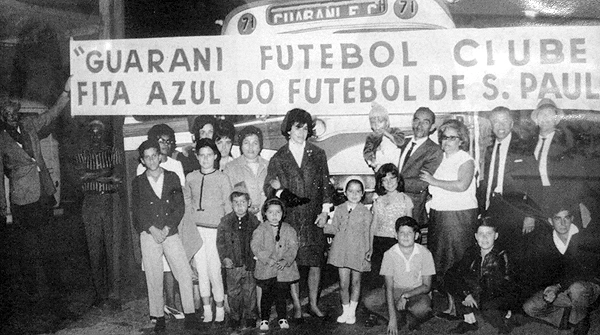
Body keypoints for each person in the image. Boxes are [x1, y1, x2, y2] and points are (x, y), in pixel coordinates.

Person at [0, 81, 69, 299]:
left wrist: (65, 91)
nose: (11, 116)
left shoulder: (29, 124)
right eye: (6, 113)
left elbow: (52, 114)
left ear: (18, 113)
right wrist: (3, 207)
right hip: (23, 200)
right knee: (28, 251)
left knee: (49, 245)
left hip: (44, 194)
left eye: (13, 112)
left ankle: (56, 292)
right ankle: (32, 295)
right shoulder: (1, 139)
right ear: (2, 115)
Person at [264, 108, 333, 319]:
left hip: (313, 217)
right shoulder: (279, 157)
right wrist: (277, 190)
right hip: (291, 218)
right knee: (291, 263)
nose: (302, 132)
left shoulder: (318, 154)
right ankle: (296, 305)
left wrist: (325, 212)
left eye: (305, 128)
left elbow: (325, 185)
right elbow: (269, 189)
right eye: (297, 128)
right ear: (288, 129)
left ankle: (313, 303)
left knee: (314, 263)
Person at [131, 140, 201, 333]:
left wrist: (168, 228)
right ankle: (159, 316)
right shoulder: (138, 182)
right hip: (149, 234)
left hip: (170, 232)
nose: (152, 159)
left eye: (155, 155)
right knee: (153, 275)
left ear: (160, 156)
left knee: (184, 273)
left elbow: (179, 206)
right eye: (147, 157)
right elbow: (136, 211)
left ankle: (190, 314)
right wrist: (151, 229)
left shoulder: (171, 177)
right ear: (142, 160)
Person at [478, 107, 542, 268]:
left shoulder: (523, 148)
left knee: (514, 254)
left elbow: (534, 183)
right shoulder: (490, 149)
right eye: (496, 122)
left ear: (512, 123)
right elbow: (486, 182)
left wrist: (531, 214)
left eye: (504, 121)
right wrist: (482, 209)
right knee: (495, 253)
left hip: (515, 209)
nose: (500, 125)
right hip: (493, 207)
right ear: (491, 125)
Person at [522, 204, 600, 335]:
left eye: (566, 218)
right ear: (550, 221)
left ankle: (581, 319)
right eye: (558, 219)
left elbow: (583, 272)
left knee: (577, 289)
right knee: (529, 307)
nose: (563, 223)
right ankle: (567, 317)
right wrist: (549, 289)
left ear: (572, 219)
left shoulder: (584, 237)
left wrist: (557, 286)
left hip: (588, 288)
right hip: (563, 289)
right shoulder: (547, 241)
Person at [74, 119, 124, 310]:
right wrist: (105, 174)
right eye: (92, 132)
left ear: (104, 134)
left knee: (113, 248)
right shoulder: (82, 153)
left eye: (99, 132)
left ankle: (115, 295)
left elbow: (117, 178)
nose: (96, 136)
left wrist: (91, 174)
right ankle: (99, 293)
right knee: (94, 248)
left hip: (110, 199)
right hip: (90, 200)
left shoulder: (113, 152)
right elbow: (79, 178)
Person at [420, 119, 478, 279]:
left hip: (459, 216)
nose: (447, 141)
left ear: (461, 140)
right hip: (439, 214)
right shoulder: (439, 159)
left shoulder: (465, 159)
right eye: (445, 137)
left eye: (452, 137)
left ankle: (461, 300)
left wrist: (434, 182)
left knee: (458, 260)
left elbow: (462, 185)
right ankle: (448, 300)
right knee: (440, 260)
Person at [440, 218, 517, 334]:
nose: (484, 238)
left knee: (491, 315)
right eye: (481, 234)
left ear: (496, 236)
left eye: (489, 234)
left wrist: (508, 307)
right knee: (452, 278)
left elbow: (509, 283)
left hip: (495, 294)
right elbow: (455, 272)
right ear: (476, 236)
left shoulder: (503, 255)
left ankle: (506, 319)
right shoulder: (472, 251)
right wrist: (466, 294)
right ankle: (469, 321)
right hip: (476, 290)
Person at [183, 138, 231, 323]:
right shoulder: (191, 177)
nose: (205, 159)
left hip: (215, 231)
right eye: (201, 156)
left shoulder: (222, 177)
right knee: (201, 270)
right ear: (196, 157)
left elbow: (228, 207)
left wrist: (226, 233)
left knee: (215, 270)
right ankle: (206, 309)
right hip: (197, 230)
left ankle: (220, 309)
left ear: (216, 156)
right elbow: (187, 203)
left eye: (209, 155)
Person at [363, 216, 435, 334]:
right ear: (396, 235)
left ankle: (410, 315)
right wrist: (392, 319)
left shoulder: (425, 253)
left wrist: (406, 295)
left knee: (423, 308)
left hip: (415, 292)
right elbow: (389, 288)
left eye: (409, 233)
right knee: (369, 300)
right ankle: (397, 317)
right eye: (402, 233)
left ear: (416, 236)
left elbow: (427, 286)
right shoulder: (389, 254)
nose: (405, 236)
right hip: (395, 290)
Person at [324, 177, 373, 324]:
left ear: (363, 194)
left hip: (358, 251)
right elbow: (334, 228)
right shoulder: (339, 209)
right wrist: (323, 226)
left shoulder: (365, 212)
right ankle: (345, 311)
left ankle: (352, 312)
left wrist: (369, 249)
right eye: (351, 191)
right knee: (343, 283)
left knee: (356, 282)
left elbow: (368, 233)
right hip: (341, 251)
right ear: (345, 193)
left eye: (358, 191)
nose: (354, 194)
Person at [251, 198, 300, 331]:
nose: (274, 215)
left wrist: (286, 260)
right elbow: (255, 246)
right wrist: (267, 258)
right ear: (265, 213)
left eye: (278, 212)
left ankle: (282, 317)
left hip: (283, 271)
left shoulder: (288, 229)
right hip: (266, 269)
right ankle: (264, 319)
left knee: (281, 295)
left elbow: (293, 247)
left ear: (283, 213)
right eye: (270, 212)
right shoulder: (261, 229)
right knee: (266, 295)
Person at [216, 184, 260, 330]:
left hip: (249, 264)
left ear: (249, 203)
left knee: (250, 292)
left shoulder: (255, 222)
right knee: (233, 293)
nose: (239, 206)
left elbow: (259, 241)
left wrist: (256, 258)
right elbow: (220, 242)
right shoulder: (225, 221)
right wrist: (224, 258)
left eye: (243, 202)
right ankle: (235, 317)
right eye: (236, 203)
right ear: (232, 204)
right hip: (232, 264)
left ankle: (251, 316)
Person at [397, 107, 443, 227]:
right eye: (417, 120)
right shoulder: (403, 143)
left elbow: (421, 183)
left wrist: (391, 183)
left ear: (432, 127)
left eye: (425, 122)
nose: (419, 125)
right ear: (412, 122)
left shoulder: (434, 150)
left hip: (413, 208)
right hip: (393, 205)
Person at [223, 125, 269, 220]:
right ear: (241, 145)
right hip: (241, 220)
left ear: (260, 145)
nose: (250, 147)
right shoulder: (230, 168)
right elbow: (226, 199)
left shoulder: (269, 166)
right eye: (246, 143)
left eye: (255, 143)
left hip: (266, 220)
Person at [363, 102, 405, 171]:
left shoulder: (395, 131)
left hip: (395, 166)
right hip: (380, 167)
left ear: (387, 122)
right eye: (373, 123)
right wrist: (372, 161)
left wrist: (387, 134)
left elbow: (401, 142)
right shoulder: (371, 137)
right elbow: (367, 151)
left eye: (380, 121)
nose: (377, 125)